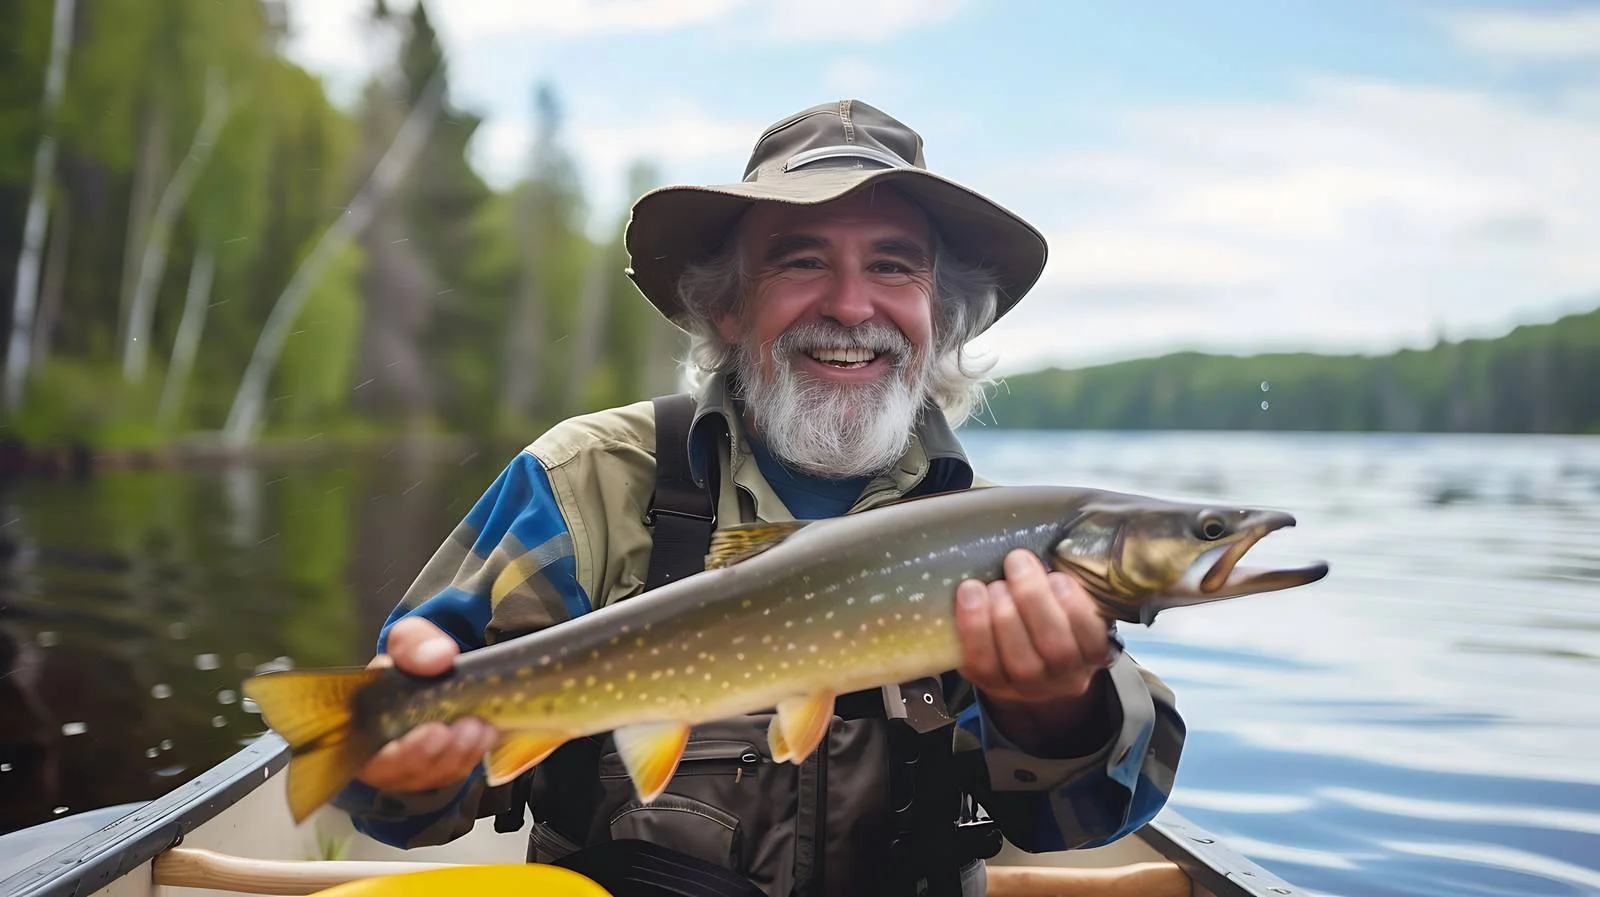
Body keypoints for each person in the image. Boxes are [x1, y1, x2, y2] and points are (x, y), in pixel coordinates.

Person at [333, 99, 1185, 897]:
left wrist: (1056, 713)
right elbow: (389, 802)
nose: (851, 305)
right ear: (731, 307)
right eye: (802, 260)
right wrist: (400, 764)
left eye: (893, 266)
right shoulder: (585, 480)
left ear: (941, 315)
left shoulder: (1003, 539)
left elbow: (1093, 814)